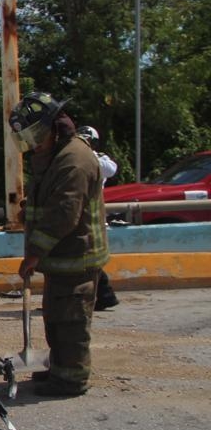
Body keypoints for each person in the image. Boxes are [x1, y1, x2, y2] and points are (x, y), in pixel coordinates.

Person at [9, 92, 109, 396]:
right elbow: (48, 200)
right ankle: (58, 366)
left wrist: (34, 253)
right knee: (56, 317)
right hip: (61, 258)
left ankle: (71, 379)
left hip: (76, 257)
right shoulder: (54, 154)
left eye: (36, 135)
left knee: (71, 322)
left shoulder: (74, 160)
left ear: (54, 126)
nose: (34, 143)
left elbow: (64, 214)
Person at [77, 125, 120, 310]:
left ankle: (105, 295)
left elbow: (111, 170)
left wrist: (90, 155)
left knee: (89, 260)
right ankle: (102, 296)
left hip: (91, 217)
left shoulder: (98, 160)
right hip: (79, 214)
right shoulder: (75, 158)